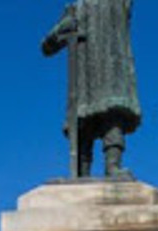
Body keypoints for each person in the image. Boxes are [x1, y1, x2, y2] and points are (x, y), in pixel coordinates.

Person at [42, 0, 141, 178]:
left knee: (113, 116)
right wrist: (61, 29)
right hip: (84, 77)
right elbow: (47, 46)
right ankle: (80, 173)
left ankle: (113, 167)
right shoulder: (76, 8)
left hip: (112, 71)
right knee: (82, 123)